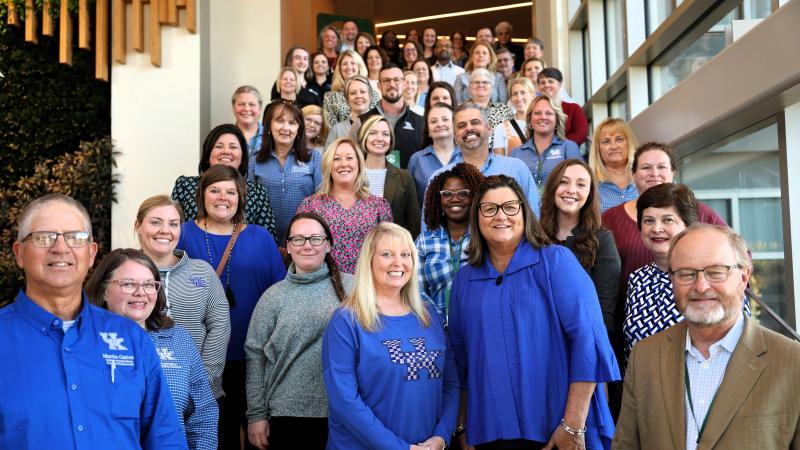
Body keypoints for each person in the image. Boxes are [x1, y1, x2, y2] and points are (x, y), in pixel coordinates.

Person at [0, 194, 187, 449]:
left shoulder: (132, 340)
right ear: (20, 253)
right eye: (44, 237)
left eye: (75, 238)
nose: (61, 248)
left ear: (91, 254)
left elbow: (165, 438)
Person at [448, 175, 619, 449]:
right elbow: (460, 359)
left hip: (555, 431)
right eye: (489, 208)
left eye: (509, 207)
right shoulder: (464, 280)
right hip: (488, 433)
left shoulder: (555, 261)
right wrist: (463, 428)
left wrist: (572, 425)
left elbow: (589, 340)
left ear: (524, 213)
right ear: (477, 217)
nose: (500, 216)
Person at [613, 224, 800, 450]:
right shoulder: (645, 356)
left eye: (716, 272)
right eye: (686, 273)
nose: (701, 286)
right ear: (672, 279)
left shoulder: (792, 362)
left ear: (744, 276)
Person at [322, 223, 460, 450]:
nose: (398, 262)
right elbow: (344, 401)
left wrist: (441, 437)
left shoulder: (430, 315)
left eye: (405, 254)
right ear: (369, 261)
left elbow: (451, 384)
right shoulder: (347, 321)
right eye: (387, 254)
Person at [177, 165, 286, 450]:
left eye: (230, 191)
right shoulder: (182, 235)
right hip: (199, 359)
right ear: (202, 195)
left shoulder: (260, 238)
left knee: (259, 438)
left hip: (254, 357)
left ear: (240, 197)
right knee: (213, 437)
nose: (222, 197)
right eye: (214, 190)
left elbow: (279, 296)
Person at [85, 248, 219, 450]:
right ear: (104, 290)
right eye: (128, 284)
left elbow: (203, 412)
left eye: (149, 284)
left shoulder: (178, 339)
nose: (141, 292)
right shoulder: (83, 340)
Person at [245, 213, 355, 450]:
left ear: (328, 245)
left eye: (315, 239)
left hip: (345, 413)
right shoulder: (273, 297)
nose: (307, 245)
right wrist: (256, 415)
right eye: (298, 239)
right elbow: (255, 356)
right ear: (288, 248)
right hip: (286, 416)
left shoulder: (354, 287)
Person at [602, 142, 728, 316]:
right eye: (646, 167)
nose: (654, 174)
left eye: (661, 167)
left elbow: (736, 253)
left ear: (672, 173)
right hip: (627, 312)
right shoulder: (609, 218)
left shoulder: (696, 211)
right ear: (634, 174)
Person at [134, 195, 230, 401]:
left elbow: (220, 325)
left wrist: (201, 381)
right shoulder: (122, 272)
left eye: (173, 224)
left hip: (197, 394)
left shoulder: (202, 272)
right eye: (155, 222)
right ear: (138, 226)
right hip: (136, 392)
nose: (165, 230)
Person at [540, 159, 621, 336]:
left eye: (581, 184)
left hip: (585, 339)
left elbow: (605, 311)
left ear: (590, 193)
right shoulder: (533, 237)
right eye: (563, 182)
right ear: (553, 186)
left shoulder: (602, 240)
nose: (571, 189)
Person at [622, 183, 698, 363]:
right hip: (642, 387)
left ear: (688, 225)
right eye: (649, 220)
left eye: (667, 220)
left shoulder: (710, 276)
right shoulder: (638, 279)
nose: (656, 228)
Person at [297, 138, 393, 274]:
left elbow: (388, 252)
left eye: (349, 158)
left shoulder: (379, 207)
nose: (343, 164)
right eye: (336, 159)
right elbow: (300, 249)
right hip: (323, 286)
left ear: (359, 164)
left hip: (367, 286)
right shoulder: (311, 206)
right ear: (328, 165)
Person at [428, 103, 540, 217]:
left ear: (489, 129)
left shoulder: (516, 168)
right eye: (462, 125)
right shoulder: (441, 177)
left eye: (475, 122)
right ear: (455, 137)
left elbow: (533, 219)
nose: (469, 128)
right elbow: (430, 227)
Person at [171, 124, 277, 236]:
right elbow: (172, 227)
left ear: (242, 156)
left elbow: (268, 237)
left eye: (233, 147)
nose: (226, 151)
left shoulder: (257, 192)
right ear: (208, 154)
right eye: (219, 146)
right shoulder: (185, 185)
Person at [416, 163, 484, 321]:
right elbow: (418, 292)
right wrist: (439, 321)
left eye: (463, 193)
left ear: (474, 196)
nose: (454, 199)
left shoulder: (485, 237)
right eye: (447, 194)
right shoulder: (424, 242)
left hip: (479, 324)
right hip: (437, 329)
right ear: (438, 199)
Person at [252, 101, 323, 243]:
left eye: (292, 123)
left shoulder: (313, 157)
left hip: (303, 239)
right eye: (280, 121)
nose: (286, 127)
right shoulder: (255, 159)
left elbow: (321, 200)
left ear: (299, 129)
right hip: (264, 239)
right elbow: (249, 203)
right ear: (269, 126)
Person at [358, 115, 420, 237]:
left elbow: (414, 224)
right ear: (364, 137)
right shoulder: (353, 175)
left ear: (391, 140)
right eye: (373, 133)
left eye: (385, 134)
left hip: (394, 248)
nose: (380, 138)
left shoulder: (404, 177)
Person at [359, 63, 425, 169]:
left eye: (396, 80)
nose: (392, 84)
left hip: (410, 184)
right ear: (378, 86)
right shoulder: (362, 121)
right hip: (371, 183)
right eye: (386, 80)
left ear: (404, 84)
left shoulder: (420, 122)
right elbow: (353, 156)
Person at [510, 95, 582, 189]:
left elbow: (580, 182)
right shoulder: (516, 153)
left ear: (557, 119)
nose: (543, 117)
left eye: (549, 113)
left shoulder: (568, 147)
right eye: (537, 113)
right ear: (530, 120)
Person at [409, 102, 457, 205]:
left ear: (455, 124)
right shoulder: (416, 160)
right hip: (427, 221)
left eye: (445, 119)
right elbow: (411, 202)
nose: (440, 124)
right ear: (428, 129)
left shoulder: (467, 155)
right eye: (434, 121)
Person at [588, 118, 640, 212]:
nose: (614, 146)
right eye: (606, 141)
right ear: (598, 149)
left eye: (619, 139)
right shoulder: (590, 186)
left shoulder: (645, 178)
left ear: (629, 143)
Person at [323, 49, 378, 128]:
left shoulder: (372, 94)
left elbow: (376, 122)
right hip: (340, 138)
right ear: (340, 68)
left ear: (359, 67)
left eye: (353, 63)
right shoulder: (330, 97)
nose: (349, 67)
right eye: (345, 64)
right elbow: (331, 127)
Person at [465, 68, 513, 150]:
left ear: (492, 87)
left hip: (500, 157)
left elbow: (512, 137)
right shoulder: (461, 110)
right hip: (469, 155)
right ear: (469, 87)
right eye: (476, 82)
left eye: (485, 82)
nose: (480, 85)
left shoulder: (504, 110)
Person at [537, 68, 588, 145]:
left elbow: (581, 134)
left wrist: (557, 145)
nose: (546, 85)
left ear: (560, 84)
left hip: (568, 153)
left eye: (551, 81)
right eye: (542, 83)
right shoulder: (535, 110)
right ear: (539, 87)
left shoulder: (574, 108)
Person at [326, 75, 376, 146]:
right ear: (347, 100)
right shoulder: (337, 130)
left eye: (362, 92)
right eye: (353, 93)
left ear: (370, 96)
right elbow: (328, 156)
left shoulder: (382, 125)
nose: (358, 96)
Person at [493, 77, 536, 156]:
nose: (519, 98)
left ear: (533, 95)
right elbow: (499, 162)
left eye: (523, 92)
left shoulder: (541, 124)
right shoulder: (501, 128)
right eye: (515, 94)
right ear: (511, 99)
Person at [232, 85, 265, 155]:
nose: (247, 109)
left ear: (260, 109)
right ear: (233, 108)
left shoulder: (271, 136)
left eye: (252, 104)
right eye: (241, 104)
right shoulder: (225, 137)